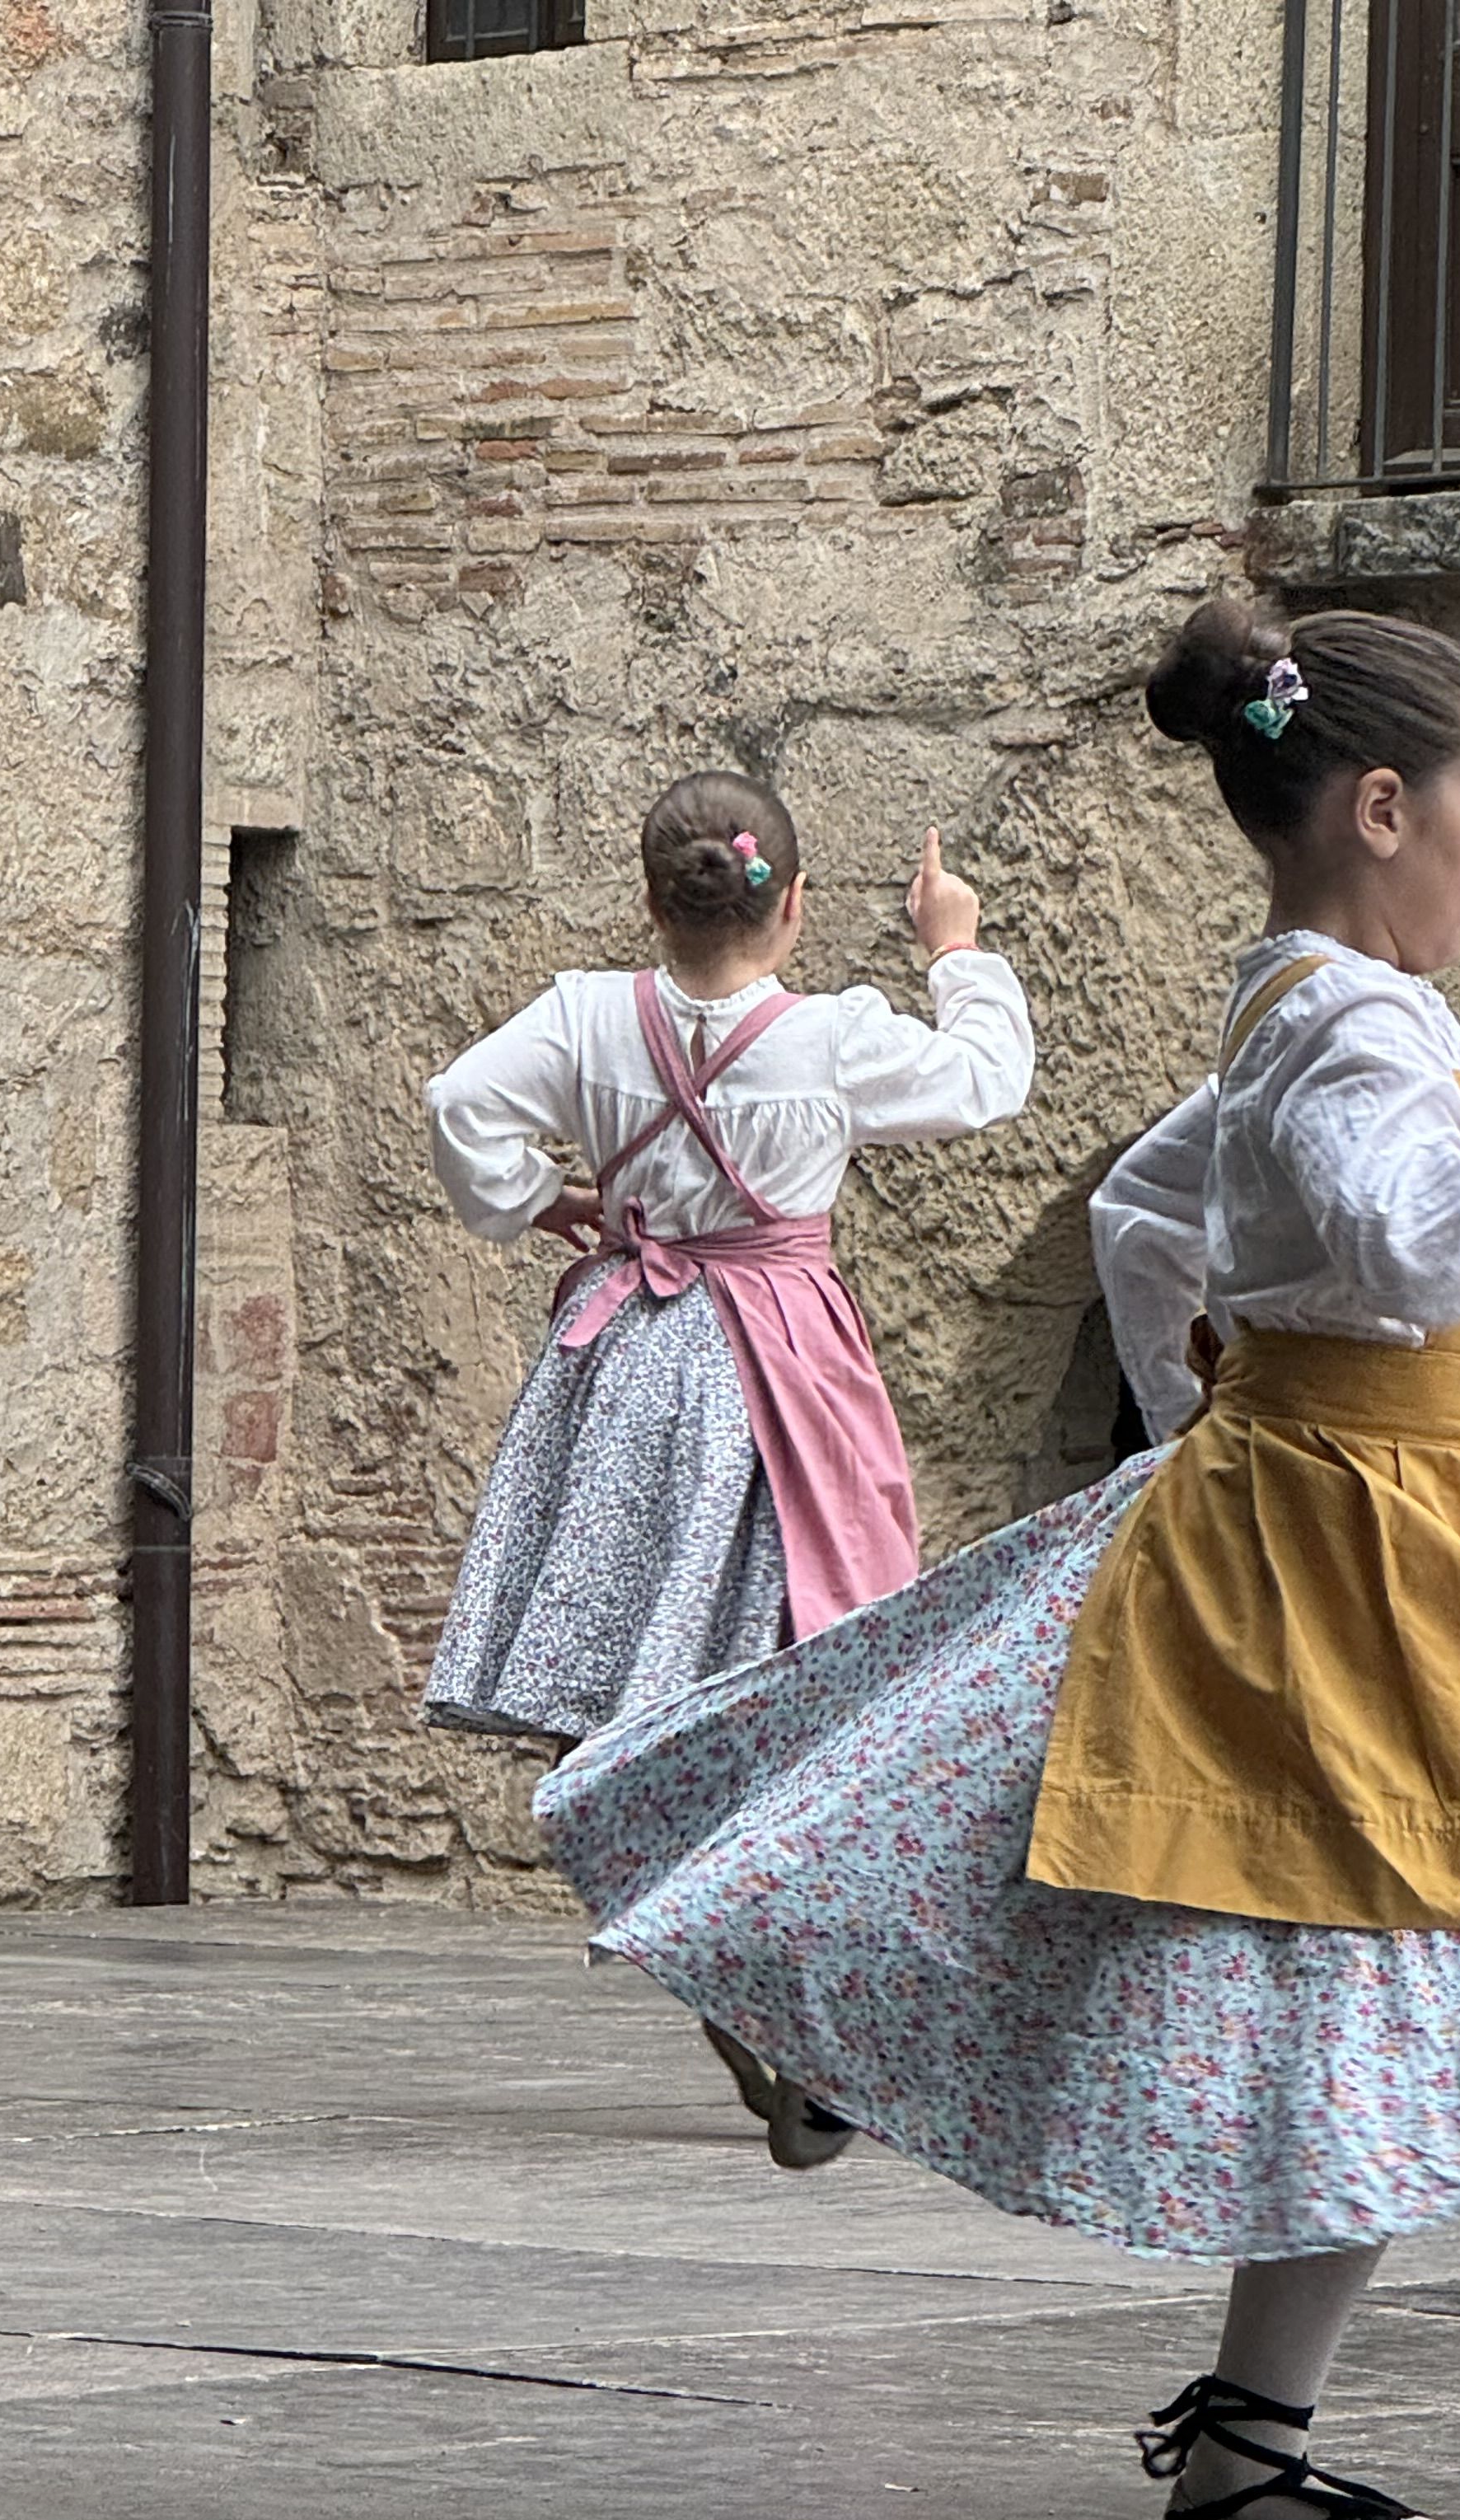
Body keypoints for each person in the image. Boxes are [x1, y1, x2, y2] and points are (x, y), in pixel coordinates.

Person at [534, 601, 1460, 2520]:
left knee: (1339, 1969)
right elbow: (1400, 1253)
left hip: (1359, 1507)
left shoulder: (1293, 992)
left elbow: (1145, 1208)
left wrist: (1185, 1381)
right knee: (1357, 1955)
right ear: (1385, 807)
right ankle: (1234, 2433)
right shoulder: (1364, 1019)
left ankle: (1245, 2447)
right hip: (1363, 1527)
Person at [424, 771, 1033, 2155]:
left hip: (633, 1365)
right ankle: (781, 2010)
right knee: (802, 1670)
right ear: (795, 906)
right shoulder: (829, 1040)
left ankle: (731, 1975)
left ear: (653, 901)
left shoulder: (587, 1014)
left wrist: (535, 1200)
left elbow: (462, 1101)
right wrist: (956, 944)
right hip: (782, 1376)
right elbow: (989, 1081)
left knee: (639, 1693)